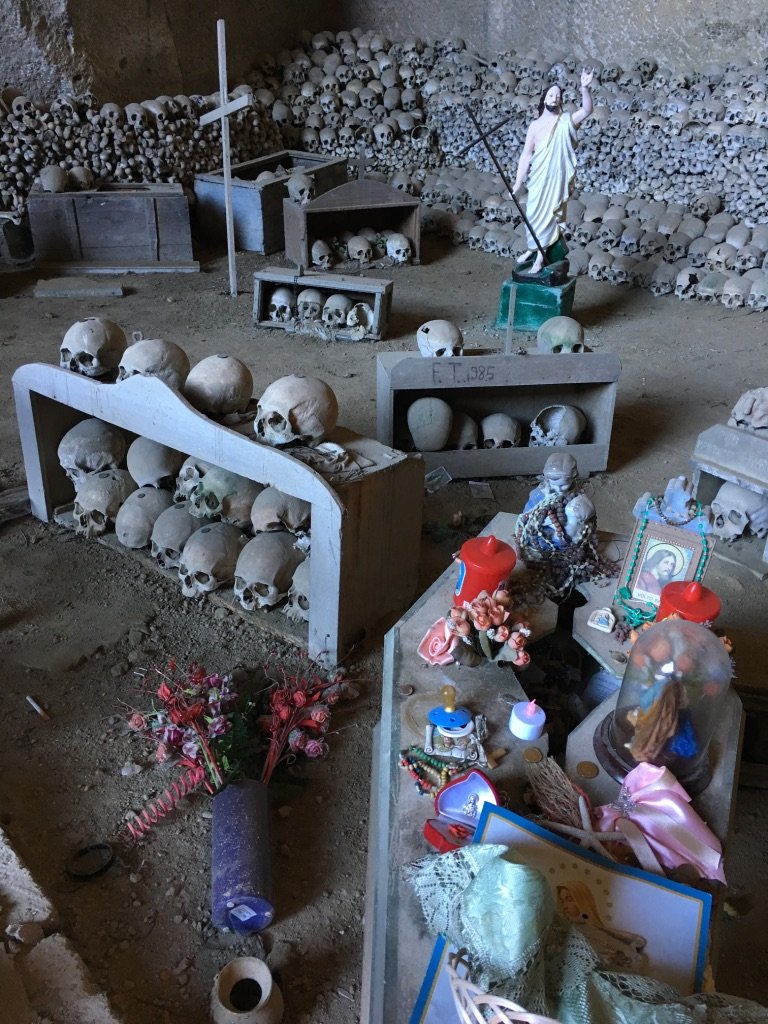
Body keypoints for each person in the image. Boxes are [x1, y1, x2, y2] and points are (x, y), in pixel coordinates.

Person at [512, 69, 595, 274]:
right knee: (533, 214)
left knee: (550, 214)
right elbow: (526, 155)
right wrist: (517, 182)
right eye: (551, 95)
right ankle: (534, 248)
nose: (555, 98)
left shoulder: (565, 121)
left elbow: (586, 110)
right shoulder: (535, 125)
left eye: (558, 96)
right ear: (544, 99)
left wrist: (584, 88)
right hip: (538, 177)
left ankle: (540, 257)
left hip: (556, 177)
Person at [557, 880, 647, 972]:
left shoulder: (590, 927)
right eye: (562, 901)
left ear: (581, 899)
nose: (565, 906)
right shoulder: (569, 929)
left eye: (569, 900)